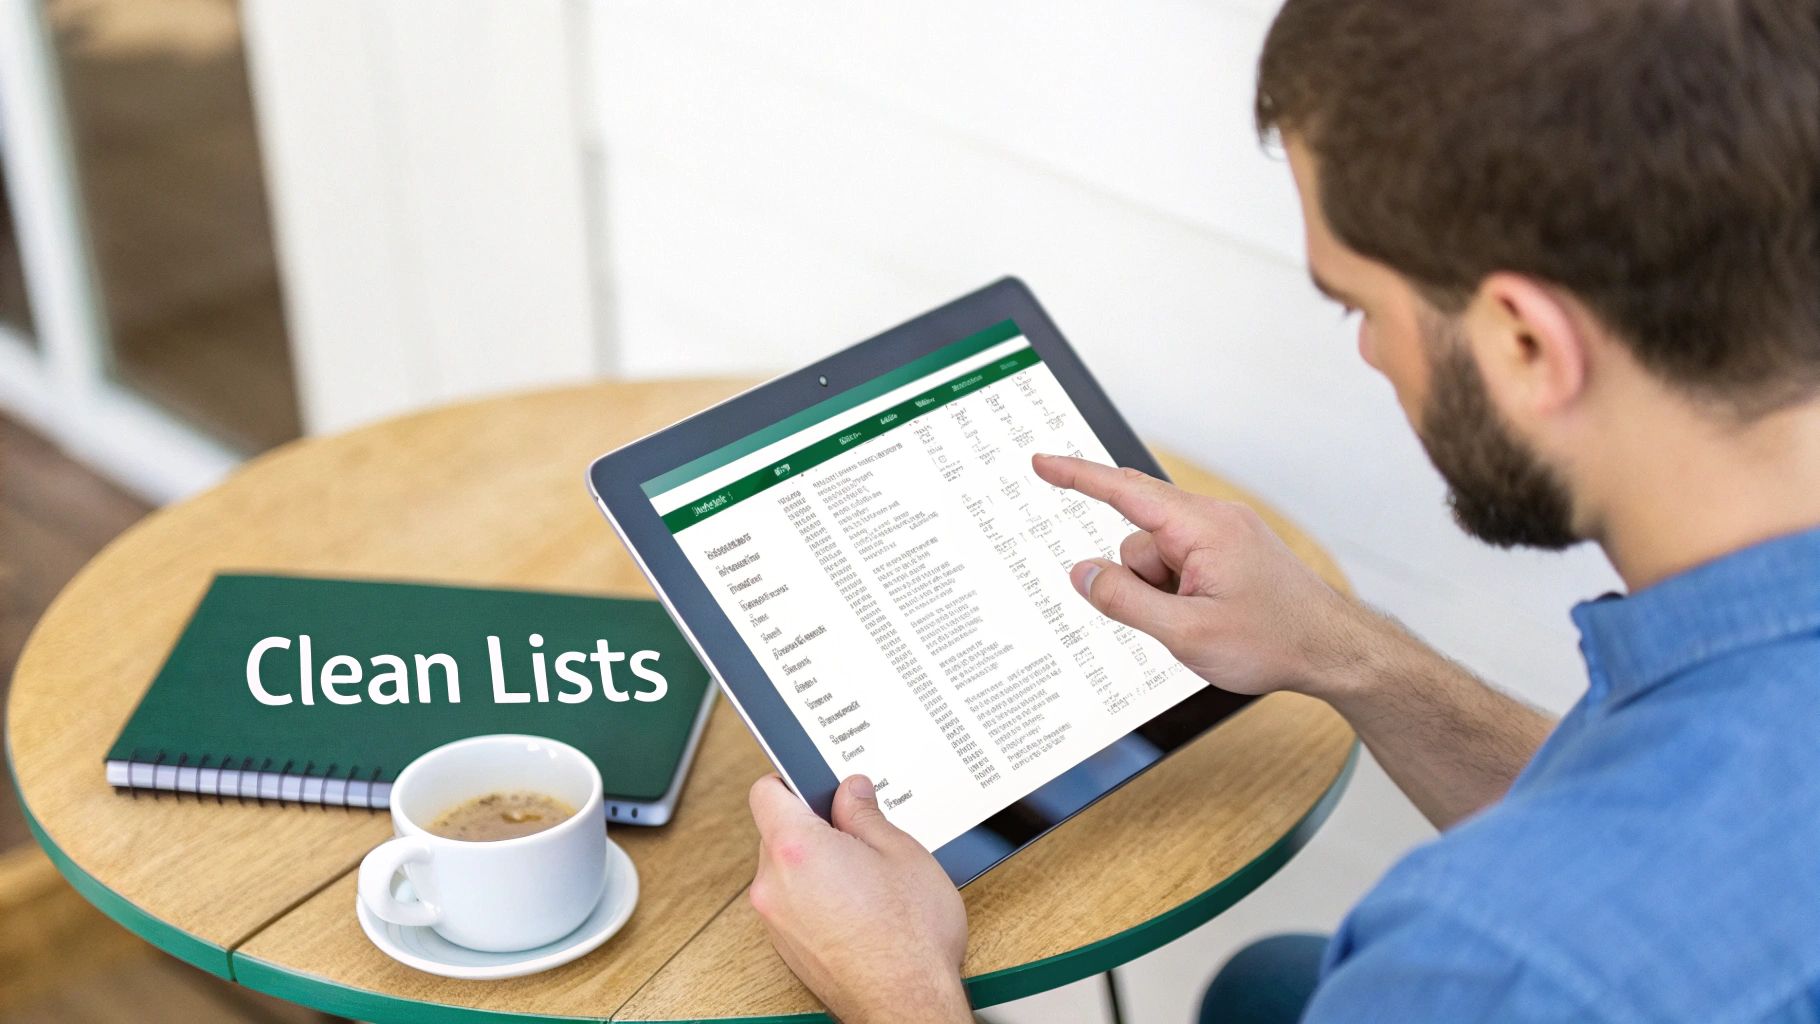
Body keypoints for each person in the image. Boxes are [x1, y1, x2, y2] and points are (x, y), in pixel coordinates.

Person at [742, 0, 1820, 1019]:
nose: (1363, 351)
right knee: (1269, 984)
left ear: (1524, 343)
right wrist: (1344, 651)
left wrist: (897, 986)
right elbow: (1659, 823)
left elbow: (1580, 902)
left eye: (1358, 303)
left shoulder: (1494, 960)